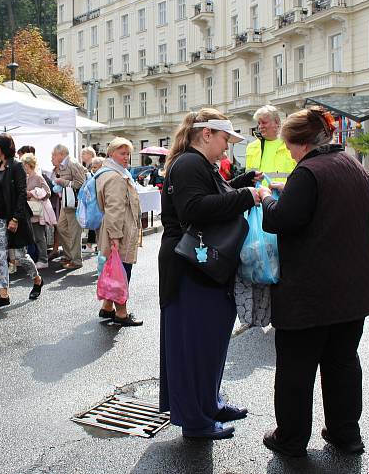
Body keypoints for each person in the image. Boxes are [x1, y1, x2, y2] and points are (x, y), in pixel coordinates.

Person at [255, 107, 369, 458]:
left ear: (302, 142)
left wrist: (267, 197)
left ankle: (291, 437)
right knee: (342, 361)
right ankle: (346, 434)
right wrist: (289, 188)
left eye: (290, 147)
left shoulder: (308, 172)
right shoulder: (352, 165)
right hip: (355, 289)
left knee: (296, 367)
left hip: (312, 292)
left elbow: (283, 219)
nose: (291, 153)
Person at [158, 109, 261, 440]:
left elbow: (212, 195)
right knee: (194, 347)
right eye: (225, 140)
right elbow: (194, 209)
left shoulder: (197, 164)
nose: (227, 148)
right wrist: (246, 196)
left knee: (210, 342)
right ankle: (196, 420)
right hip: (190, 267)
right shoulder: (189, 164)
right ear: (206, 135)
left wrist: (241, 184)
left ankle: (210, 403)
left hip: (203, 266)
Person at [234, 105, 298, 334]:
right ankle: (256, 314)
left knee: (280, 256)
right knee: (258, 255)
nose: (260, 127)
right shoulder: (252, 147)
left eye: (263, 122)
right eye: (258, 123)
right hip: (257, 205)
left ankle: (280, 310)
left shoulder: (287, 143)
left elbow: (298, 174)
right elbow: (248, 175)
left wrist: (284, 188)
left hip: (282, 202)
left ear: (276, 122)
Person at [0, 134, 43, 308]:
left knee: (19, 257)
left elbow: (21, 193)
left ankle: (37, 279)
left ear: (2, 148)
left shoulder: (16, 166)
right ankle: (3, 294)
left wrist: (16, 218)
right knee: (0, 256)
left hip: (15, 217)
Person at [96, 137, 143, 327]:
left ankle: (107, 307)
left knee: (112, 270)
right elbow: (115, 209)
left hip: (113, 230)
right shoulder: (116, 177)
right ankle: (122, 313)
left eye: (128, 154)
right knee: (121, 272)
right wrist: (115, 237)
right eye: (122, 154)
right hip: (119, 233)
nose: (126, 158)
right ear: (111, 153)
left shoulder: (108, 172)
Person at [51, 144, 87, 269]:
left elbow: (81, 183)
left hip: (74, 203)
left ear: (61, 154)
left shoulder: (72, 164)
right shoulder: (63, 165)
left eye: (54, 154)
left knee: (74, 231)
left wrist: (63, 182)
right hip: (66, 202)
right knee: (61, 227)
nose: (52, 157)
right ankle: (69, 255)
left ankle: (76, 260)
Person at [21, 152, 55, 269]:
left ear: (27, 165)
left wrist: (33, 193)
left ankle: (43, 259)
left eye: (23, 164)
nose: (22, 166)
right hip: (29, 211)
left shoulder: (38, 177)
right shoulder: (25, 177)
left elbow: (48, 193)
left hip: (36, 211)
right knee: (34, 237)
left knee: (39, 237)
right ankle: (39, 258)